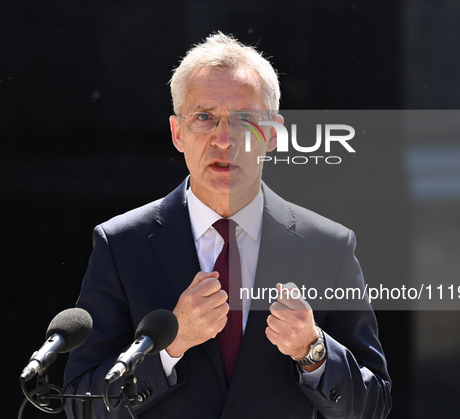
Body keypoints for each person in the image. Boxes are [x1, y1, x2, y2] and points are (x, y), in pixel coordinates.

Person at [63, 32, 391, 419]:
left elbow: (373, 407)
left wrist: (313, 350)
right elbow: (79, 406)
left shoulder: (328, 246)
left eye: (244, 120)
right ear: (177, 133)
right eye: (204, 117)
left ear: (272, 135)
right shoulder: (121, 245)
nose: (223, 140)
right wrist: (172, 345)